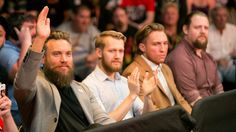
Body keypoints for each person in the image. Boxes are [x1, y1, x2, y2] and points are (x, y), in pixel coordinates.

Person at [14, 6, 114, 132]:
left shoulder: (82, 88)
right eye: (57, 54)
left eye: (68, 54)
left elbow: (105, 121)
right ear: (43, 58)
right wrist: (40, 39)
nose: (64, 59)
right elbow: (23, 85)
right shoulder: (37, 84)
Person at [83, 30, 156, 121]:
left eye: (121, 51)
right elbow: (104, 123)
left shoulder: (125, 81)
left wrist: (147, 97)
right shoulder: (88, 86)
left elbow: (147, 117)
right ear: (99, 53)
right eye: (112, 51)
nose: (117, 56)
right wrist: (132, 96)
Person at [123, 23, 191, 113]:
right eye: (156, 44)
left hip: (178, 120)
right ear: (142, 47)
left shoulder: (166, 68)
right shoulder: (133, 73)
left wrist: (194, 120)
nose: (163, 49)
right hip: (163, 124)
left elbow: (180, 100)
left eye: (165, 43)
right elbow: (147, 113)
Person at [166, 11, 224, 106]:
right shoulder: (180, 57)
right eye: (197, 27)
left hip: (213, 110)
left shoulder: (208, 57)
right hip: (196, 115)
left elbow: (219, 90)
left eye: (206, 28)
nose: (203, 31)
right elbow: (194, 102)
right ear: (185, 29)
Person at [0, 13, 36, 127]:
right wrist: (26, 40)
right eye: (29, 28)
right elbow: (21, 75)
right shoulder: (5, 50)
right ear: (15, 31)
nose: (35, 32)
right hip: (17, 111)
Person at [57, 4, 100, 81]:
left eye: (87, 17)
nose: (85, 21)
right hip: (66, 67)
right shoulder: (62, 30)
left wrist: (93, 56)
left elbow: (102, 46)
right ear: (73, 16)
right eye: (82, 17)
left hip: (85, 68)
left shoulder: (92, 30)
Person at [207, 5, 236, 84]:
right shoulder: (207, 31)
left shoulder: (233, 29)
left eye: (224, 15)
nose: (222, 19)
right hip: (214, 67)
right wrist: (217, 61)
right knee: (216, 80)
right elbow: (204, 55)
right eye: (218, 16)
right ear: (213, 18)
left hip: (230, 65)